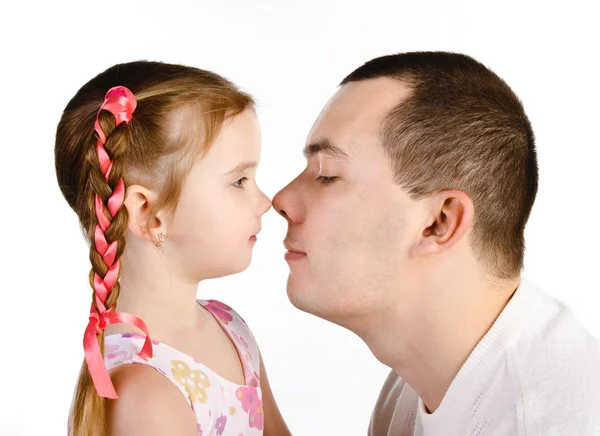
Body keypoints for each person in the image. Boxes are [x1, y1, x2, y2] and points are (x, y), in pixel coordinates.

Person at [272, 51, 600, 435]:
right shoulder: (415, 385)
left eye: (326, 174)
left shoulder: (554, 422)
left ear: (439, 222)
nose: (280, 200)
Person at [55, 61, 290, 436]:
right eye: (239, 180)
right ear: (149, 213)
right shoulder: (144, 393)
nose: (266, 201)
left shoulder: (230, 327)